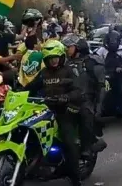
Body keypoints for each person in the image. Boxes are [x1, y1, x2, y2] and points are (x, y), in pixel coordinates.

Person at [24, 40, 85, 186]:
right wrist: (15, 92)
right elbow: (30, 87)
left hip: (64, 111)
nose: (54, 61)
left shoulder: (69, 70)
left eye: (56, 57)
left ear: (62, 57)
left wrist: (66, 97)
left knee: (69, 143)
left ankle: (76, 178)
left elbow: (78, 91)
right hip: (45, 110)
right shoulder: (43, 73)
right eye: (51, 59)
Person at [61, 33, 107, 151]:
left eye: (69, 47)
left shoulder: (92, 62)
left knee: (84, 112)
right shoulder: (64, 62)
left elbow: (102, 85)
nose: (66, 49)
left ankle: (88, 145)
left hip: (86, 99)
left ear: (78, 47)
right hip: (67, 97)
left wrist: (99, 108)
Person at [98, 30, 122, 125]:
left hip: (119, 77)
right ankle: (99, 116)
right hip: (105, 76)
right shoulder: (102, 50)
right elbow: (95, 59)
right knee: (101, 95)